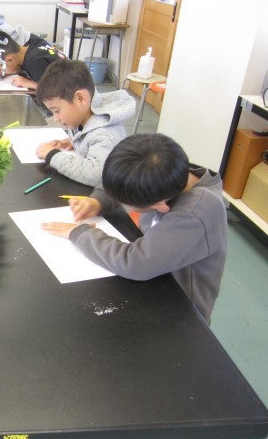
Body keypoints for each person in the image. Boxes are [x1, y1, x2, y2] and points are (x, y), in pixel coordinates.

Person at [41, 133, 228, 324]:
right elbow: (125, 182)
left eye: (127, 203)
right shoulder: (164, 174)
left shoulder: (196, 213)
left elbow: (136, 263)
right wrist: (98, 201)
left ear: (161, 206)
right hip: (154, 280)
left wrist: (80, 233)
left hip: (179, 312)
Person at [35, 59, 135, 187]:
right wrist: (73, 140)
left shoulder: (106, 133)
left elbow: (98, 174)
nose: (56, 118)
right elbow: (89, 136)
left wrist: (52, 155)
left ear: (81, 98)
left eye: (57, 111)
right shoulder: (83, 116)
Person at [0, 30, 66, 90]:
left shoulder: (33, 61)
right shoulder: (32, 42)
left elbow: (55, 90)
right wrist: (6, 72)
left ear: (9, 60)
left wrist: (29, 83)